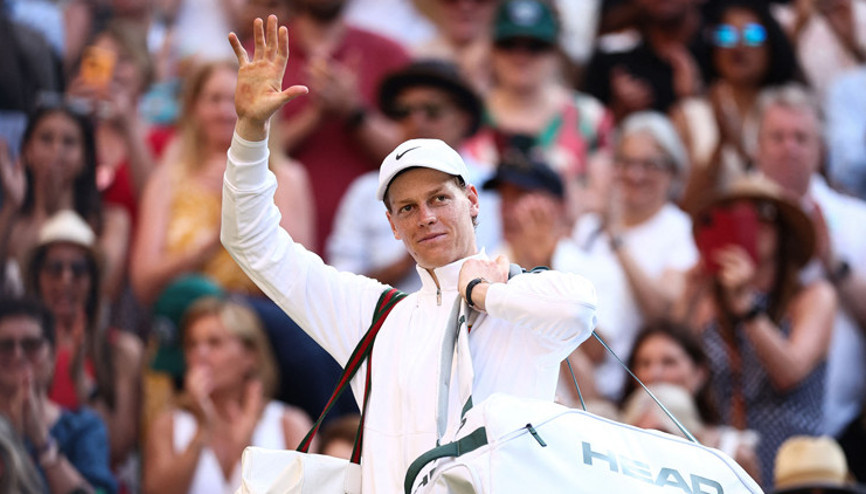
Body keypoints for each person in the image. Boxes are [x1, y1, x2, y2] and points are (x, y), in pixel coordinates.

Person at [222, 15, 598, 492]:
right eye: (407, 207)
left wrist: (481, 293)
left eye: (440, 198)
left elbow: (579, 309)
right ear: (393, 226)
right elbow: (251, 242)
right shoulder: (373, 315)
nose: (426, 216)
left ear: (473, 201)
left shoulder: (521, 292)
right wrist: (251, 134)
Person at [675, 174, 836, 489]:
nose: (751, 224)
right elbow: (675, 362)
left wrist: (746, 307)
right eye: (736, 215)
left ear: (783, 231)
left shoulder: (814, 297)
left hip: (798, 468)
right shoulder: (710, 301)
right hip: (727, 468)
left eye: (763, 213)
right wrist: (691, 292)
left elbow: (788, 372)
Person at [131, 59, 315, 306]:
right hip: (184, 318)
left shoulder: (286, 176)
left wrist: (244, 201)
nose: (226, 111)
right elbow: (143, 284)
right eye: (214, 99)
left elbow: (300, 278)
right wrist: (204, 249)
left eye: (237, 99)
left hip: (261, 322)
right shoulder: (167, 179)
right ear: (194, 107)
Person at [552, 111, 697, 401]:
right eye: (626, 162)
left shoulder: (678, 229)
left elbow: (665, 310)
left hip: (633, 385)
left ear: (673, 171)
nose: (635, 175)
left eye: (650, 164)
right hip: (575, 375)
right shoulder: (589, 227)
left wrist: (619, 241)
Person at [327, 59, 500, 292]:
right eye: (403, 112)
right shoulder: (367, 191)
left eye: (432, 111)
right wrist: (415, 254)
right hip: (386, 322)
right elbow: (341, 287)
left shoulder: (498, 186)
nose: (416, 121)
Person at [753, 84, 866, 439]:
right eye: (778, 137)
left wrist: (834, 262)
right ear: (757, 148)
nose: (790, 147)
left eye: (801, 138)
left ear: (821, 150)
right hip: (750, 421)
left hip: (844, 426)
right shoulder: (730, 215)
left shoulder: (856, 220)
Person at [275, 0, 411, 253]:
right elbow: (240, 151)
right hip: (281, 246)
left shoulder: (389, 54)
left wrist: (353, 111)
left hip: (374, 250)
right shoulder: (264, 53)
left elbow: (412, 152)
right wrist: (313, 117)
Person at [143, 296, 312, 494]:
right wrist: (201, 430)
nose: (201, 353)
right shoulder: (168, 425)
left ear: (251, 355)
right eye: (192, 344)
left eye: (214, 343)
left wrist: (248, 443)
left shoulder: (289, 424)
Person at [25, 210, 143, 469]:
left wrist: (79, 377)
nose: (65, 280)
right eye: (55, 269)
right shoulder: (15, 349)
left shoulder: (122, 351)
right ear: (37, 276)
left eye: (78, 270)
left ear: (93, 281)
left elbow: (118, 447)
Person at [671, 0, 799, 211]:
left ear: (772, 41)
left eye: (752, 34)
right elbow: (681, 209)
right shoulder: (689, 115)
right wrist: (721, 146)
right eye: (726, 35)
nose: (739, 45)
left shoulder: (792, 107)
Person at [0, 101, 130, 300]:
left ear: (85, 158)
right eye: (46, 139)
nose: (56, 150)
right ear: (27, 150)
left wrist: (57, 206)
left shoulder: (113, 221)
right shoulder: (10, 220)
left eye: (69, 142)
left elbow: (104, 285)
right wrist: (14, 206)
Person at [0, 297, 117, 493]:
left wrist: (43, 443)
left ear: (53, 355)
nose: (18, 354)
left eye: (31, 345)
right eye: (5, 345)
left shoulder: (83, 427)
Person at [621, 321, 761, 481]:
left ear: (699, 373)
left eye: (669, 362)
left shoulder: (733, 454)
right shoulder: (606, 439)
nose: (655, 374)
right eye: (644, 363)